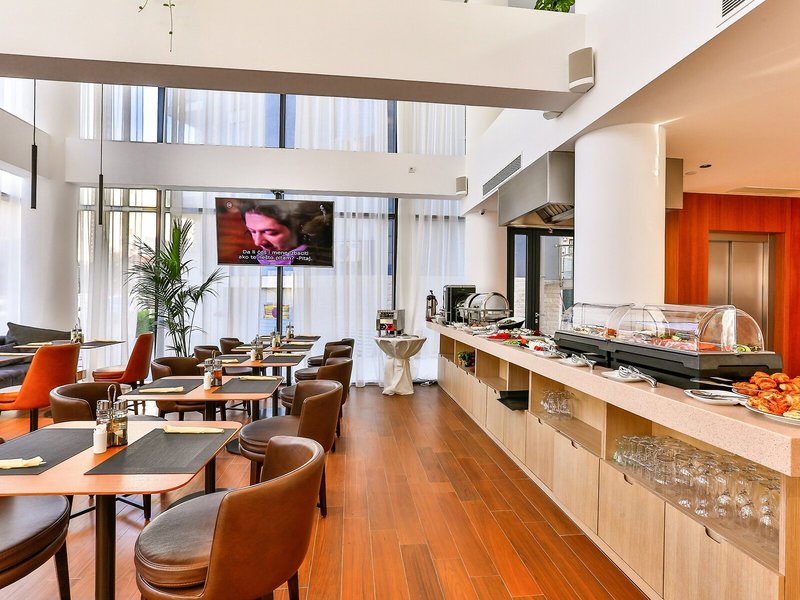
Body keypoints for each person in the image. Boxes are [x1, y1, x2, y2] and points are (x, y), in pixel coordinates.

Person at [242, 202, 309, 266]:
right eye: (252, 231)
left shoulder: (311, 261)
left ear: (297, 228)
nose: (257, 242)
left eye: (269, 232)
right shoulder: (248, 259)